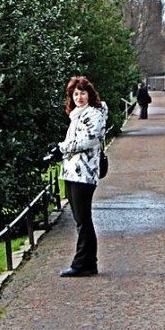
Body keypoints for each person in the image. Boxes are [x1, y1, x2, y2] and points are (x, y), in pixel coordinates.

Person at [49, 76, 107, 277]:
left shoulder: (94, 115)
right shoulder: (76, 115)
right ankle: (88, 261)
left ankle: (83, 263)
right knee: (79, 219)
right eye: (75, 94)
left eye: (82, 93)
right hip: (72, 172)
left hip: (85, 173)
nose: (79, 97)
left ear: (90, 94)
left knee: (83, 219)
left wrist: (61, 148)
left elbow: (87, 141)